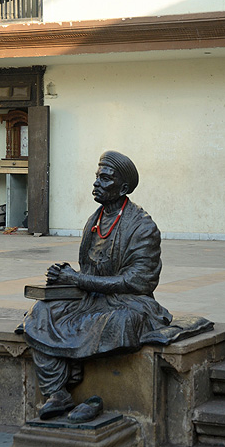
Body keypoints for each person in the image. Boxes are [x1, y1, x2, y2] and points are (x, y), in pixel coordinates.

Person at [19, 150, 172, 421]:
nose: (96, 183)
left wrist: (77, 279)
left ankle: (74, 367)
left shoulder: (143, 227)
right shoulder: (96, 219)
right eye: (97, 176)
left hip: (128, 300)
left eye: (105, 178)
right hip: (90, 296)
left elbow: (137, 281)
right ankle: (57, 391)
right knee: (40, 313)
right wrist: (64, 276)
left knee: (121, 323)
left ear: (123, 188)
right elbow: (89, 270)